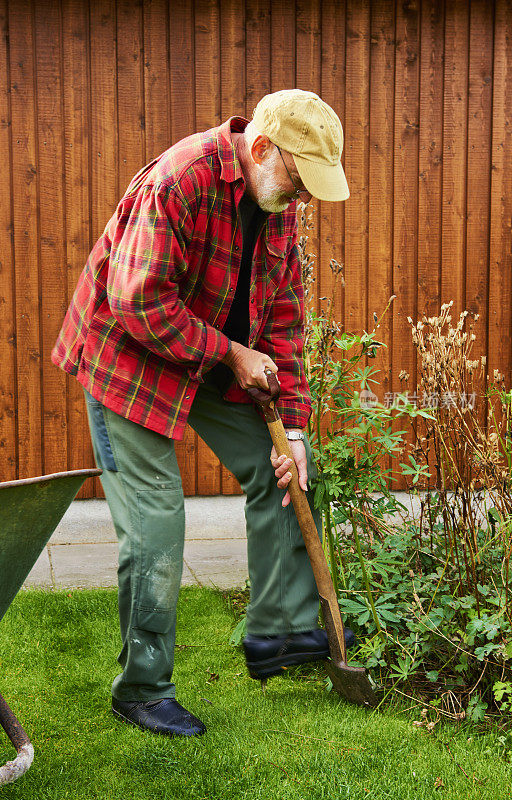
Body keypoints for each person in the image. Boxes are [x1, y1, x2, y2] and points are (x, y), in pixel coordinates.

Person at [52, 89, 352, 738]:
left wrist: (293, 429)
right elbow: (137, 302)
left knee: (285, 474)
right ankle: (141, 689)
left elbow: (286, 323)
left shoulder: (274, 207)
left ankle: (279, 634)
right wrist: (233, 353)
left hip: (209, 351)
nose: (302, 202)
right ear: (263, 148)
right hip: (124, 352)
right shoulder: (181, 182)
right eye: (300, 183)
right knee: (158, 520)